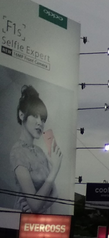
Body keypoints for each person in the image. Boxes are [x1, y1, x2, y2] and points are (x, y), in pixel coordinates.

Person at [11, 85, 62, 214]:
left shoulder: (39, 151)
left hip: (43, 221)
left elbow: (55, 194)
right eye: (35, 116)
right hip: (22, 221)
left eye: (43, 119)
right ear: (22, 115)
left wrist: (41, 207)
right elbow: (34, 204)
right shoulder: (18, 152)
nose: (40, 123)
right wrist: (55, 168)